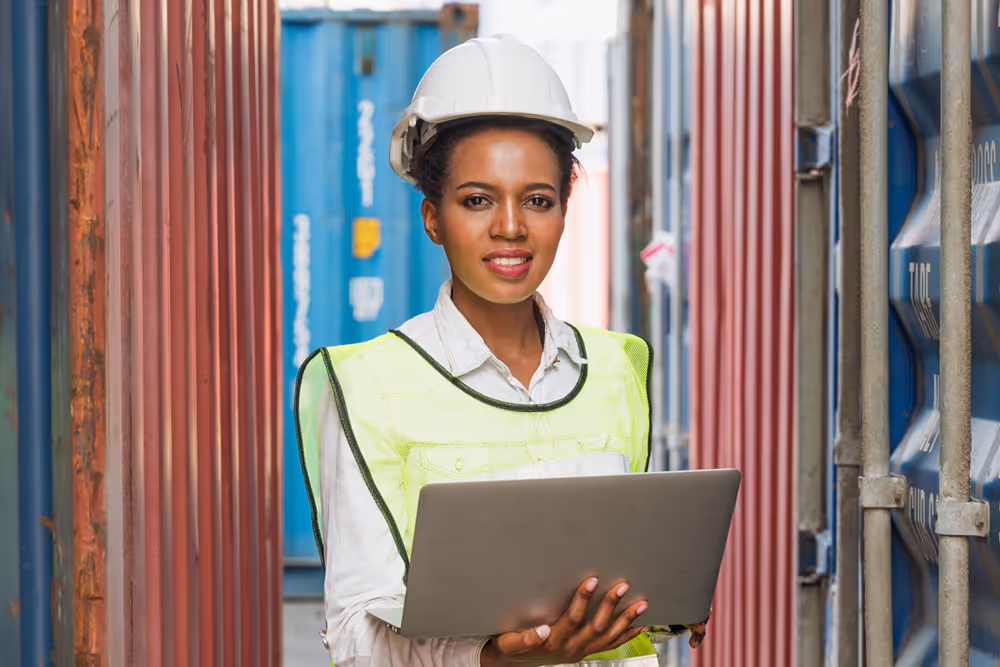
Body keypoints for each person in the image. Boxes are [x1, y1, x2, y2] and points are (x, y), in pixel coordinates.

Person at [294, 34, 710, 667]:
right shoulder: (368, 384)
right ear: (433, 217)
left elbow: (618, 570)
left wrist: (656, 607)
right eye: (477, 200)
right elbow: (354, 636)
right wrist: (493, 659)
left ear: (566, 207)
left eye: (537, 199)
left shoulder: (612, 371)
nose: (510, 226)